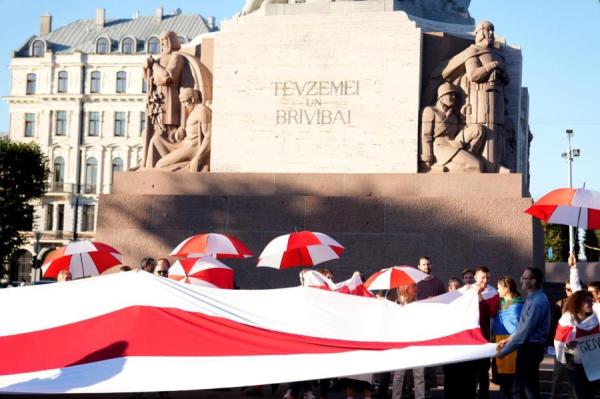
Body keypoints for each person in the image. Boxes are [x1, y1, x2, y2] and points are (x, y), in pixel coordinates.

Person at [497, 267, 551, 399]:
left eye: (524, 278)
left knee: (529, 390)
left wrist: (503, 352)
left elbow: (524, 332)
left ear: (533, 281)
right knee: (519, 388)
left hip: (530, 350)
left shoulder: (537, 301)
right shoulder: (533, 298)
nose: (521, 280)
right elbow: (522, 327)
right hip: (527, 349)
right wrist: (509, 339)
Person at [420, 82, 486, 172]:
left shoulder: (454, 114)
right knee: (477, 165)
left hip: (454, 144)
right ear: (441, 97)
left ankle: (467, 155)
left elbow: (459, 132)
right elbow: (426, 136)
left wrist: (463, 116)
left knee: (478, 129)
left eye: (454, 95)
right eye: (450, 94)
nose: (453, 97)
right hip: (441, 148)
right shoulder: (430, 110)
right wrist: (427, 159)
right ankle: (442, 167)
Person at [142, 31, 185, 168]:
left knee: (166, 133)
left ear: (172, 40)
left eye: (164, 39)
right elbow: (150, 81)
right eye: (160, 40)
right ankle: (152, 164)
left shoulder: (176, 56)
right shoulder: (160, 59)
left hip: (169, 98)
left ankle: (166, 162)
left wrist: (153, 65)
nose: (161, 43)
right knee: (154, 133)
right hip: (156, 101)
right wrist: (146, 68)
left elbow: (168, 77)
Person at [554, 290, 599, 399]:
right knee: (579, 393)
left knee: (590, 393)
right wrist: (569, 351)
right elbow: (561, 342)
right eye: (587, 301)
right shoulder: (567, 320)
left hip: (591, 362)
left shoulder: (595, 319)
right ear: (578, 302)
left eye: (591, 301)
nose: (590, 303)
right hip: (575, 363)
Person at [155, 88, 211, 172]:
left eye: (185, 102)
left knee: (160, 165)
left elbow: (209, 136)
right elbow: (192, 131)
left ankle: (187, 166)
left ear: (192, 99)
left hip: (192, 149)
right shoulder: (193, 111)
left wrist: (197, 158)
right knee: (157, 139)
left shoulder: (202, 111)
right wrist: (182, 132)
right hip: (184, 144)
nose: (184, 106)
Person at [491, 277, 524, 399]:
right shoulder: (501, 304)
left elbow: (519, 327)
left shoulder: (517, 306)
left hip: (511, 345)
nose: (497, 290)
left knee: (512, 383)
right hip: (499, 343)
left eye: (499, 288)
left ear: (507, 289)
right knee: (503, 382)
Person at [391, 283, 424, 399]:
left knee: (419, 375)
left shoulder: (419, 303)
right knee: (399, 375)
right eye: (413, 286)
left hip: (417, 343)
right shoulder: (396, 304)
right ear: (405, 288)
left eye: (416, 286)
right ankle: (396, 397)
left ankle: (420, 397)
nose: (416, 288)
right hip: (401, 344)